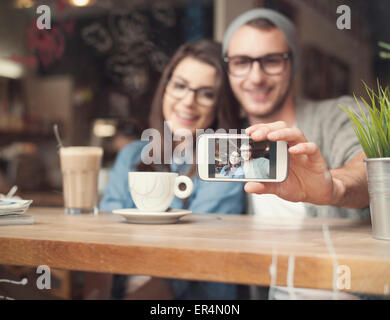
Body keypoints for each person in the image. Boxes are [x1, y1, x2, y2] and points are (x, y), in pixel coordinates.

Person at [222, 8, 371, 300]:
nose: (256, 77)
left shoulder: (340, 114)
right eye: (241, 62)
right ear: (228, 69)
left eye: (272, 61)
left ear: (293, 64)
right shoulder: (228, 144)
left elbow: (369, 167)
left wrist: (334, 186)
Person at [100, 40, 246, 300]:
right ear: (165, 89)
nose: (188, 101)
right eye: (180, 86)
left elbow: (194, 255)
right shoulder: (131, 155)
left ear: (219, 103)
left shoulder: (227, 159)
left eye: (206, 93)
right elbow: (104, 239)